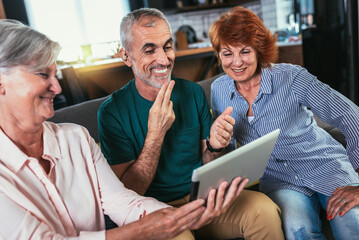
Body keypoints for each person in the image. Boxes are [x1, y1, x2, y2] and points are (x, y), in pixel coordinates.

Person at [0, 19, 250, 240]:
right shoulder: (112, 112)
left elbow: (123, 201)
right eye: (43, 74)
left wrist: (181, 217)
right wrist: (158, 225)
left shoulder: (75, 138)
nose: (57, 87)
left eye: (57, 75)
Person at [98, 8, 283, 240]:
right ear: (126, 56)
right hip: (154, 210)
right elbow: (126, 194)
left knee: (263, 210)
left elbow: (209, 160)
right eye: (149, 50)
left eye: (167, 46)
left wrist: (215, 146)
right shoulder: (112, 113)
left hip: (202, 199)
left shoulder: (193, 93)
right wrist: (156, 134)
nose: (164, 59)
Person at [209, 6, 359, 240]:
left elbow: (351, 116)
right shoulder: (218, 90)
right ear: (219, 55)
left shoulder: (291, 77)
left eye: (245, 51)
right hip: (280, 181)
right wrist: (217, 143)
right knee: (298, 230)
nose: (236, 62)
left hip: (325, 165)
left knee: (351, 222)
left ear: (259, 50)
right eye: (227, 53)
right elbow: (228, 154)